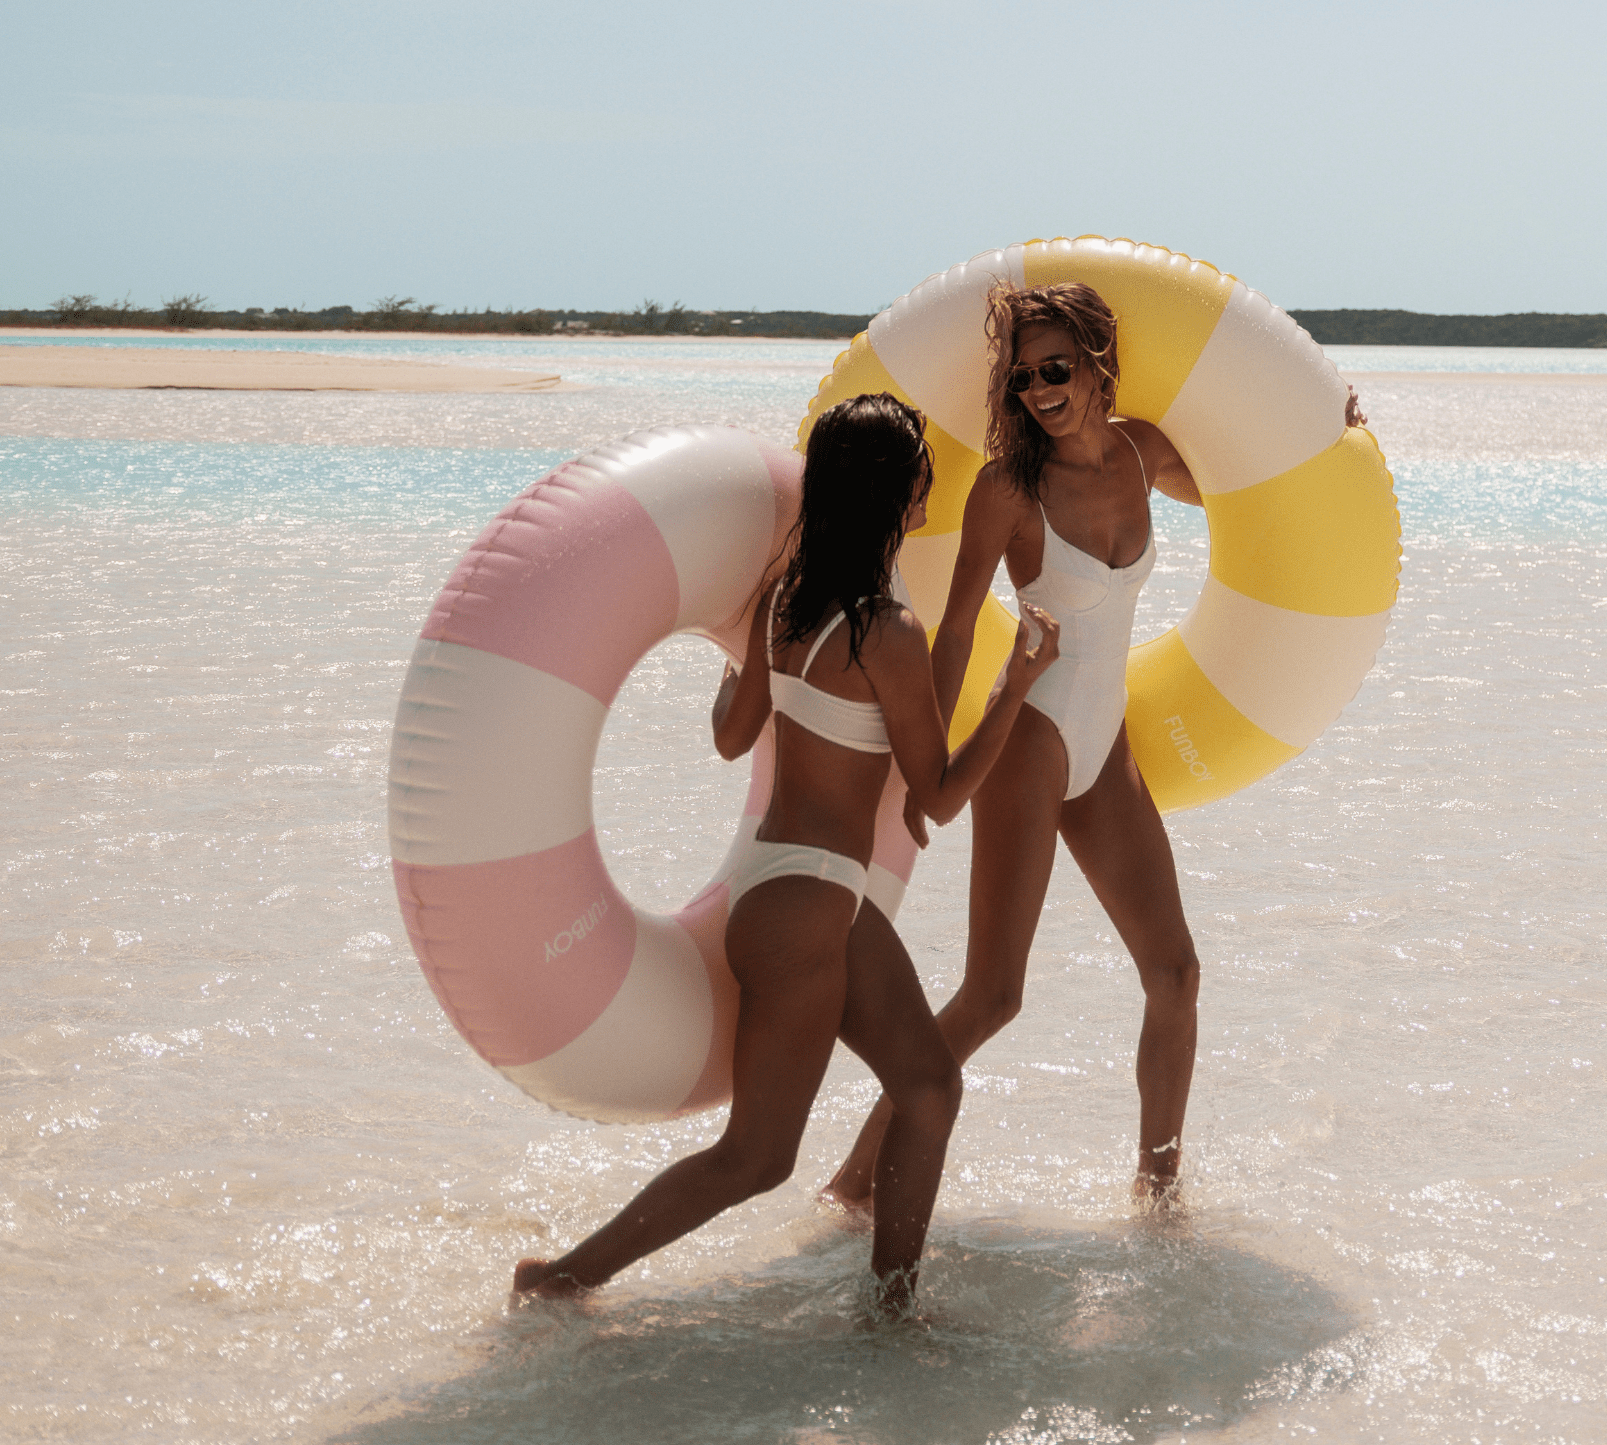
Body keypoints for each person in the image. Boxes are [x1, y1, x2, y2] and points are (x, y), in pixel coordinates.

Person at [514, 394, 1059, 1310]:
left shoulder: (784, 602)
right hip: (808, 910)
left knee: (927, 1087)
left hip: (790, 891)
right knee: (758, 1158)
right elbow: (939, 796)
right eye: (922, 464)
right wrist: (1017, 682)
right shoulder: (887, 630)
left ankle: (892, 1309)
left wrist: (750, 662)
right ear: (899, 487)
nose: (932, 477)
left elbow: (732, 737)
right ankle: (563, 1278)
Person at [825, 281, 1209, 1210]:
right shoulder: (1009, 489)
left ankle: (1158, 1193)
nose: (1038, 389)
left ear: (1096, 363)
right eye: (1023, 375)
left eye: (1056, 368)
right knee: (995, 995)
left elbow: (1250, 490)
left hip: (1103, 741)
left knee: (1177, 974)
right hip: (1030, 743)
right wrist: (929, 768)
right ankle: (854, 1183)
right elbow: (956, 631)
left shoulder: (1144, 451)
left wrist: (1325, 432)